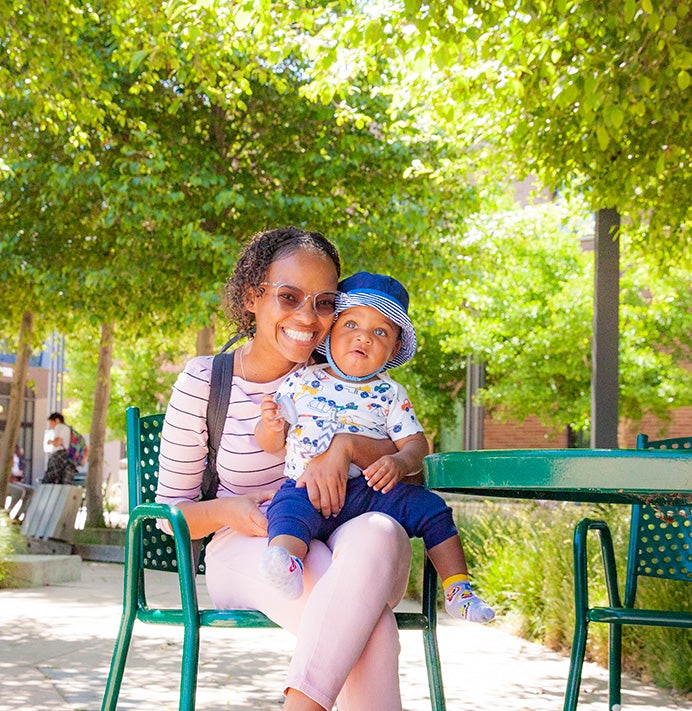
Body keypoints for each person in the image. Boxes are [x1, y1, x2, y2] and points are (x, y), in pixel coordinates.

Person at [157, 226, 414, 711]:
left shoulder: (347, 372)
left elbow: (412, 468)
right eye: (290, 296)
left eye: (324, 303)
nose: (308, 317)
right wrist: (228, 512)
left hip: (350, 539)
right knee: (369, 624)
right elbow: (168, 515)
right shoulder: (205, 382)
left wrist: (347, 446)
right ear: (254, 296)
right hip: (251, 547)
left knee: (380, 529)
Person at [255, 272, 494, 624]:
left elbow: (416, 445)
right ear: (331, 331)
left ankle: (458, 589)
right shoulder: (303, 381)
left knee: (433, 509)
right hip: (308, 488)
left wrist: (400, 462)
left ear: (394, 348)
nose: (363, 337)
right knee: (286, 510)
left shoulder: (390, 394)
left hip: (370, 491)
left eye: (380, 331)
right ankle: (286, 563)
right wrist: (271, 426)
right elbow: (270, 444)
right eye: (351, 324)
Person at [42, 412, 74, 484]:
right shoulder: (67, 428)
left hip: (58, 455)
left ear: (57, 420)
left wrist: (50, 442)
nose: (51, 426)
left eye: (51, 423)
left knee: (51, 477)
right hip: (66, 457)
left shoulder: (59, 427)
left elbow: (57, 442)